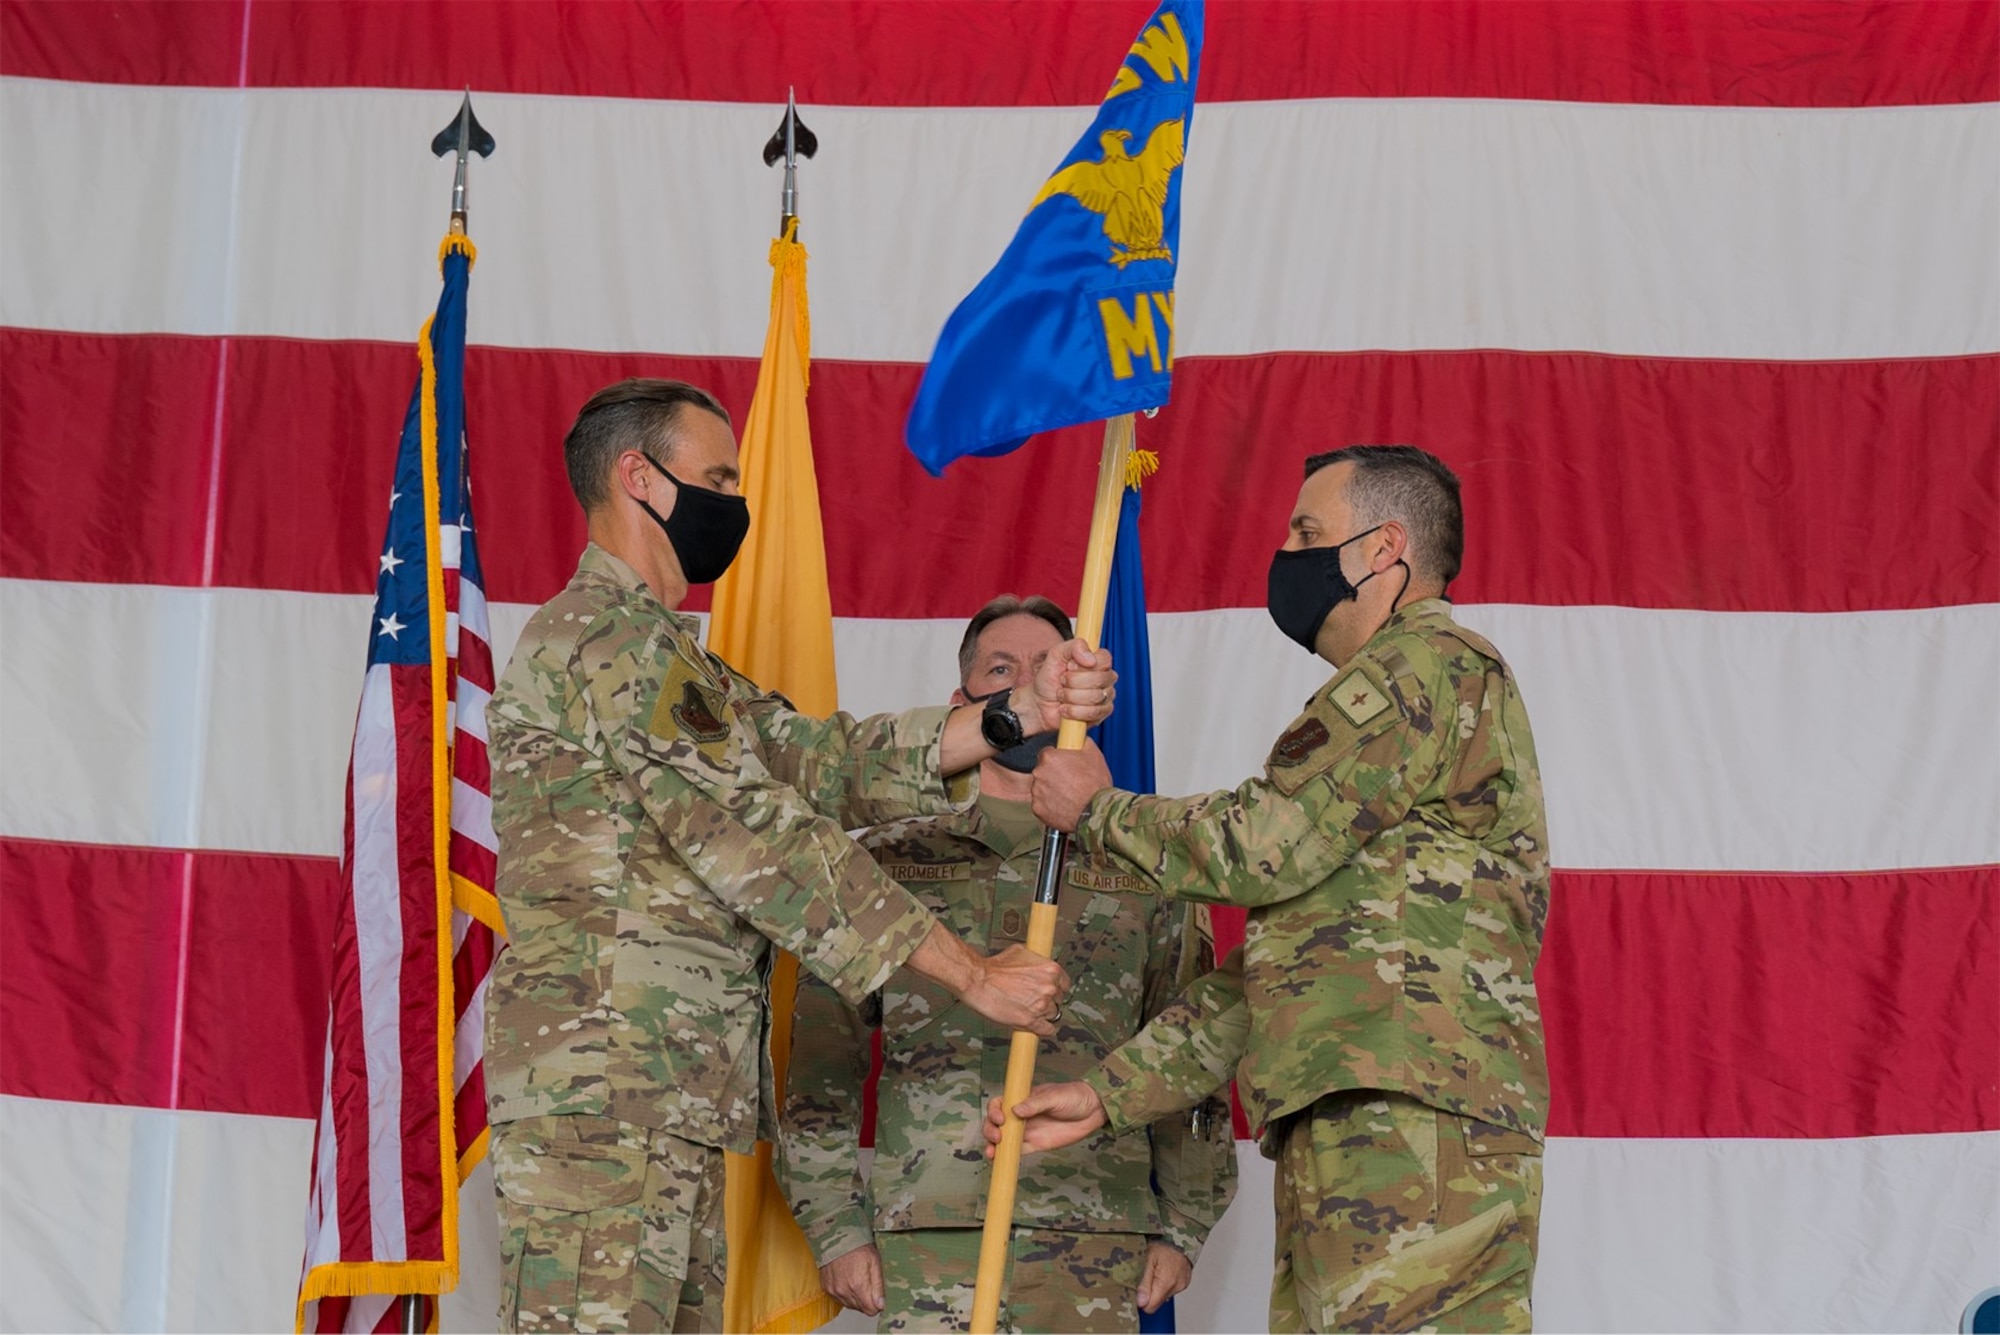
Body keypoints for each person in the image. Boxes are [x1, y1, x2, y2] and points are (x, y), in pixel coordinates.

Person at [483, 379, 1116, 1334]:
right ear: (637, 477)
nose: (736, 500)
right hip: (604, 1097)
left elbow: (813, 762)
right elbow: (761, 835)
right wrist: (973, 973)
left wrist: (1019, 714)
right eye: (720, 476)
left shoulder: (671, 657)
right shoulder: (603, 639)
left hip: (662, 1095)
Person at [989, 445, 1550, 1334]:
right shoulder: (1398, 715)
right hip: (1364, 1125)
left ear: (1384, 547)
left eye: (1309, 531)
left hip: (1413, 1129)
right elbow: (1282, 971)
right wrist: (1111, 1091)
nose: (1287, 552)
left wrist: (1099, 810)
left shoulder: (1427, 665)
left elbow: (1260, 844)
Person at [778, 596, 1238, 1334]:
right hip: (929, 1231)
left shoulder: (1148, 860)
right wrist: (834, 1224)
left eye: (1047, 667)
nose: (1029, 685)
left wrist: (1184, 1223)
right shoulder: (884, 861)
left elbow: (1191, 1045)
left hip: (1092, 1233)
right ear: (964, 705)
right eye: (1002, 670)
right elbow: (820, 1068)